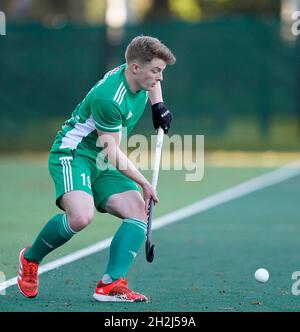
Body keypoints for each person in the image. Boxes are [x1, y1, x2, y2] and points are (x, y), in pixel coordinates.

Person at [17, 35, 176, 302]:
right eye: (156, 71)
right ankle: (30, 259)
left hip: (102, 154)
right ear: (135, 68)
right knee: (80, 217)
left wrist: (158, 105)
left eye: (162, 72)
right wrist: (143, 182)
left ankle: (110, 284)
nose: (159, 79)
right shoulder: (109, 99)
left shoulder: (139, 76)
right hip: (75, 153)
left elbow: (152, 83)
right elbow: (112, 151)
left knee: (139, 211)